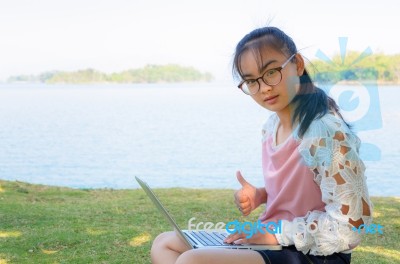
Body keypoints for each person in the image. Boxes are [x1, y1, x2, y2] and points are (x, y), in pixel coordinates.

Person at [150, 26, 373, 264]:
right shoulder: (271, 126)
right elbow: (304, 190)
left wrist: (275, 234)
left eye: (271, 72)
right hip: (272, 241)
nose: (264, 87)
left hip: (315, 253)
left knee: (192, 260)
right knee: (165, 244)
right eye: (251, 81)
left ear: (297, 64)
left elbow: (352, 225)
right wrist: (261, 195)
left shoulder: (325, 131)